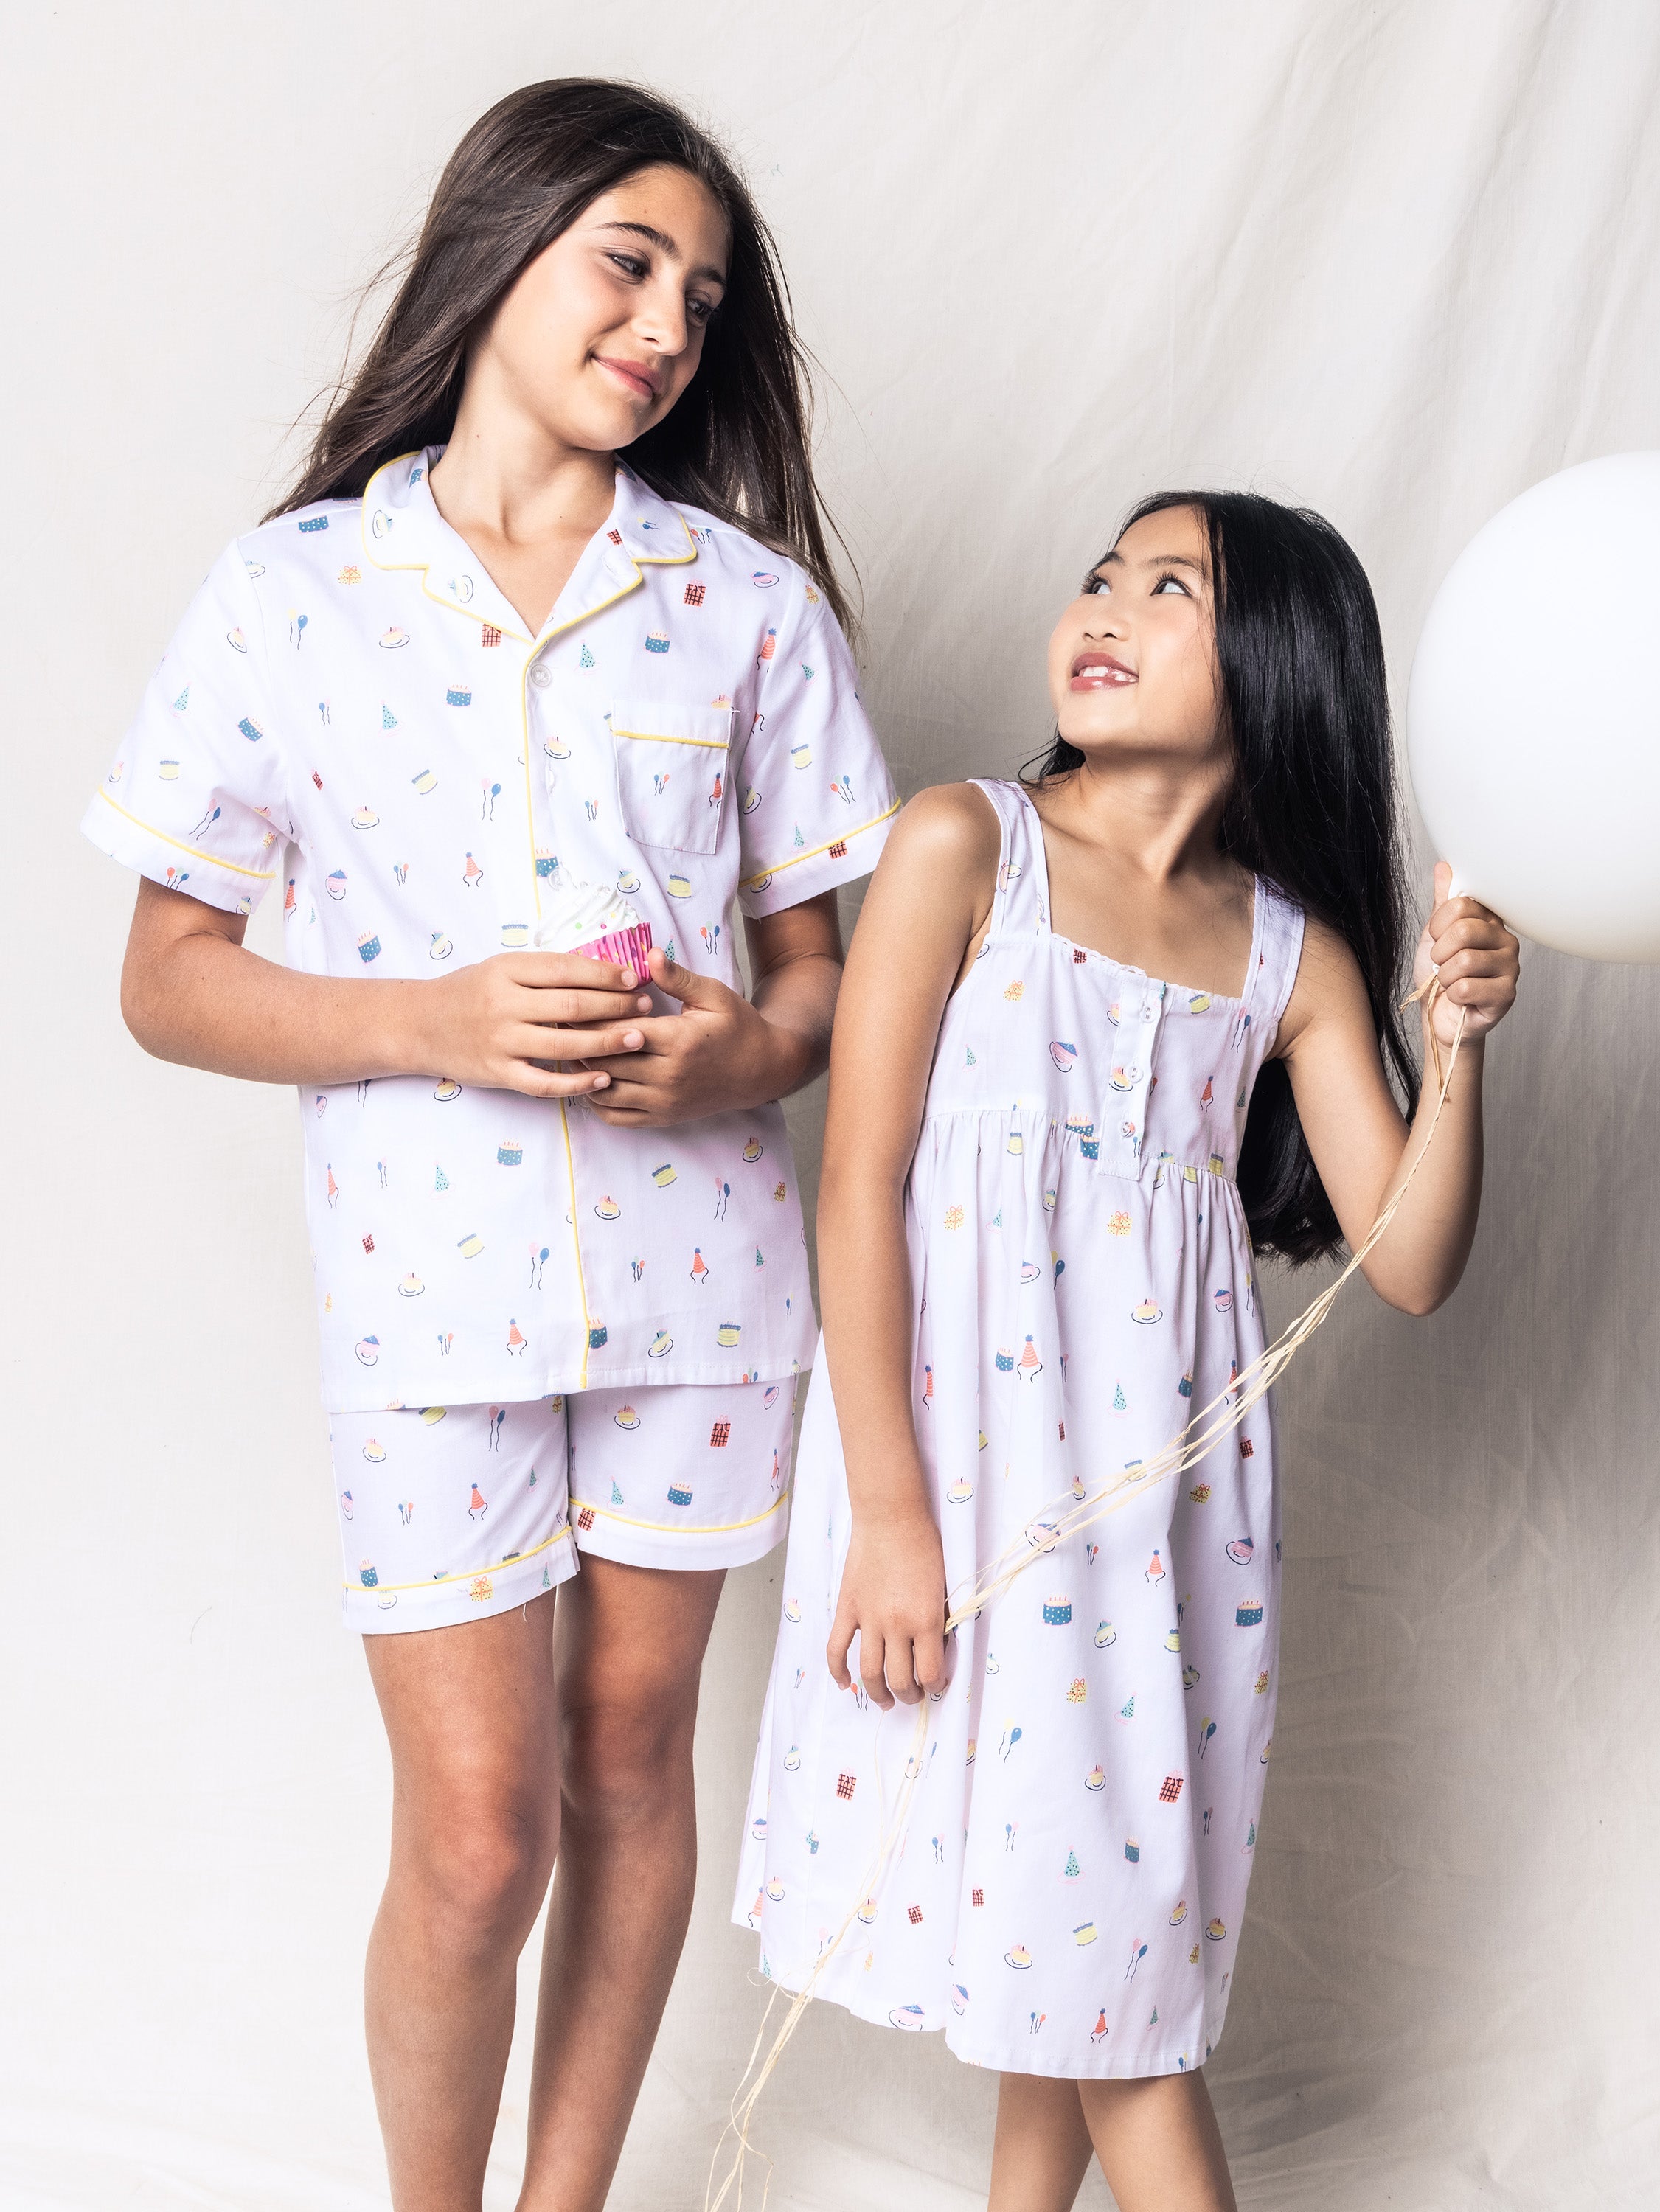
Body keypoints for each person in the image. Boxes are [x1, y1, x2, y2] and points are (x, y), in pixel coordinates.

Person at [85, 79, 897, 2211]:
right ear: (503, 244)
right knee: (474, 1836)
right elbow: (165, 977)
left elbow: (824, 995)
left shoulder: (748, 613)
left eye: (702, 302)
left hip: (708, 1292)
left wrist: (746, 1061)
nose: (664, 327)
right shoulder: (293, 596)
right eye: (628, 264)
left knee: (633, 1761)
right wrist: (429, 1021)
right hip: (429, 1289)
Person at [734, 490, 1520, 2210]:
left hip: (1163, 1534)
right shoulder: (963, 846)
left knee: (1088, 1960)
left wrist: (1456, 1044)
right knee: (1103, 1998)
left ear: (1272, 667)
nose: (1108, 603)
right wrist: (886, 1515)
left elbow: (1409, 1263)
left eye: (1173, 589)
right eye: (1104, 572)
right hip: (954, 1481)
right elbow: (856, 1184)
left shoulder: (1288, 960)